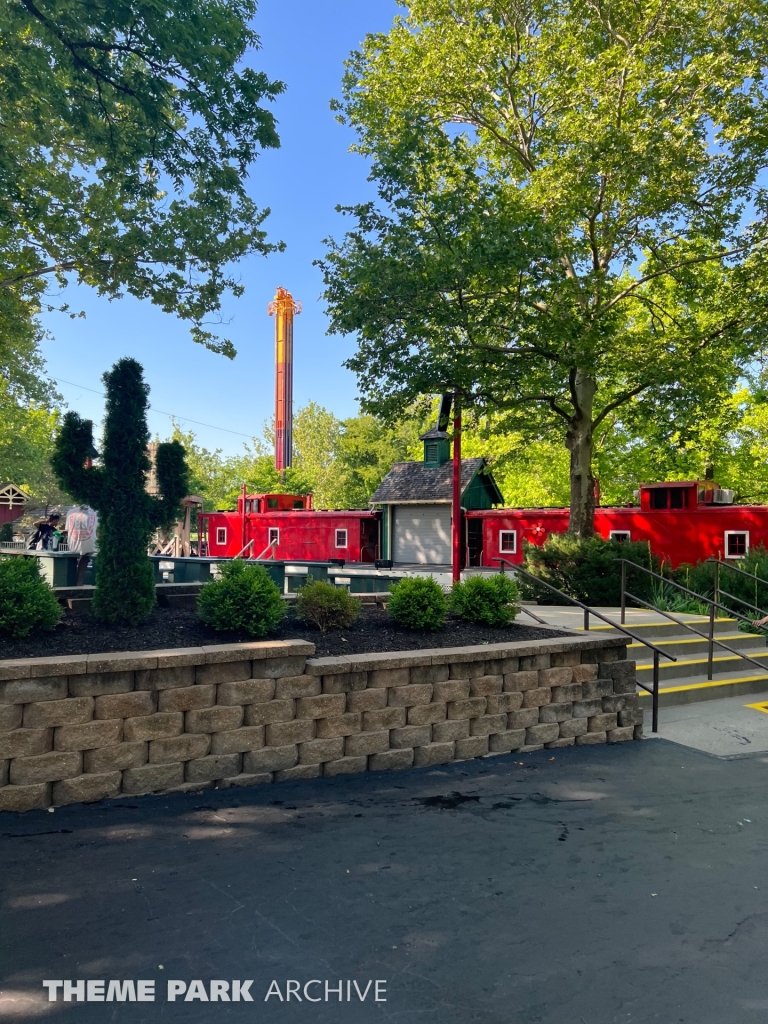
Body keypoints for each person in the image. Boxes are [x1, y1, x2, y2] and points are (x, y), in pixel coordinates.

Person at [65, 506, 98, 585]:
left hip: (73, 543)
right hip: (90, 543)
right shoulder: (96, 512)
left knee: (77, 559)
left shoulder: (70, 512)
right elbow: (98, 530)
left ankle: (76, 581)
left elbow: (67, 529)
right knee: (86, 557)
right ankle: (80, 580)